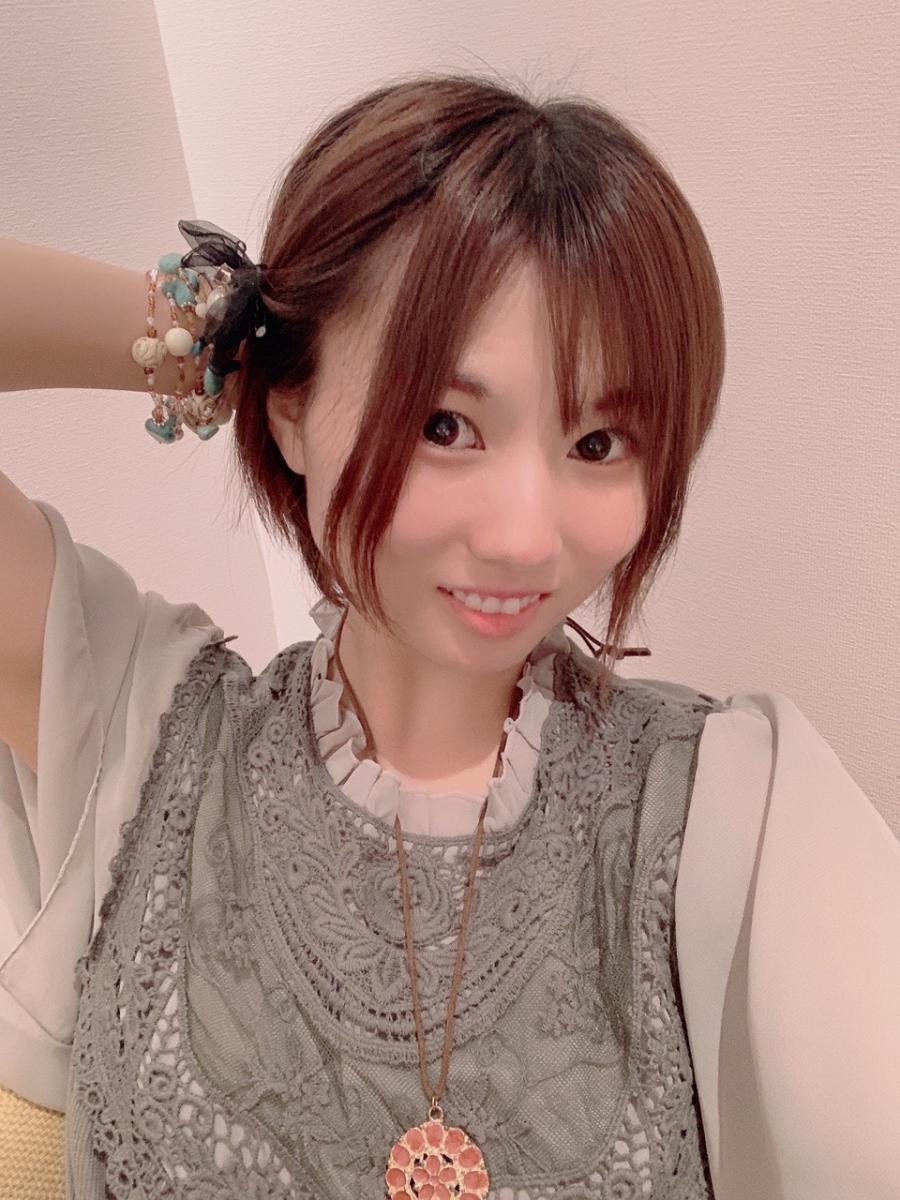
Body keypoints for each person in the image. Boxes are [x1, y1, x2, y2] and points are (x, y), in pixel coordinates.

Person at [0, 72, 897, 1200]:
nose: (524, 538)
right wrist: (220, 329)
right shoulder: (140, 735)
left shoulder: (735, 810)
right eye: (445, 423)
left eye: (599, 443)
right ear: (290, 409)